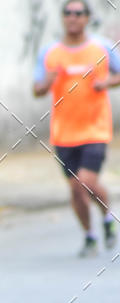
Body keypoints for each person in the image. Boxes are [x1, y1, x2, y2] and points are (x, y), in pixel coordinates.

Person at [33, 0, 120, 257]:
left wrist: (106, 83)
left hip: (95, 128)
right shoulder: (50, 52)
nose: (73, 18)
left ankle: (106, 215)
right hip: (63, 132)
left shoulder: (101, 47)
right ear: (63, 18)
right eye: (68, 13)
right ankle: (90, 235)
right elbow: (36, 89)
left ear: (87, 18)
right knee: (74, 188)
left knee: (87, 181)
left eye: (78, 13)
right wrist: (46, 82)